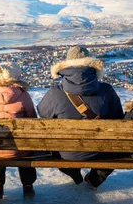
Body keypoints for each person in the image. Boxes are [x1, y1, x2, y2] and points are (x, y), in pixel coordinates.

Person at [37, 46, 124, 190]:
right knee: (118, 150)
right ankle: (94, 180)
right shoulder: (107, 90)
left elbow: (43, 114)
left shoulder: (55, 92)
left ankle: (73, 173)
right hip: (100, 152)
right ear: (91, 64)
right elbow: (119, 120)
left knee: (56, 151)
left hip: (65, 153)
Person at [0, 61, 38, 199]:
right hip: (19, 148)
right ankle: (28, 186)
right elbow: (32, 119)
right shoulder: (23, 95)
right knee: (25, 150)